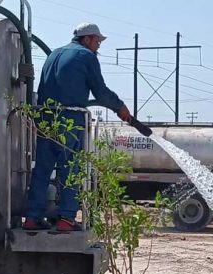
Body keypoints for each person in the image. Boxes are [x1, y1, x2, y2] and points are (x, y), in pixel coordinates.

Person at [24, 22, 132, 231]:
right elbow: (100, 92)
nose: (98, 46)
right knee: (70, 169)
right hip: (70, 119)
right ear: (87, 39)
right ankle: (66, 219)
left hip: (46, 117)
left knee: (42, 169)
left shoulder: (54, 54)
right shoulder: (86, 56)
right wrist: (120, 107)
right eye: (97, 41)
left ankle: (32, 217)